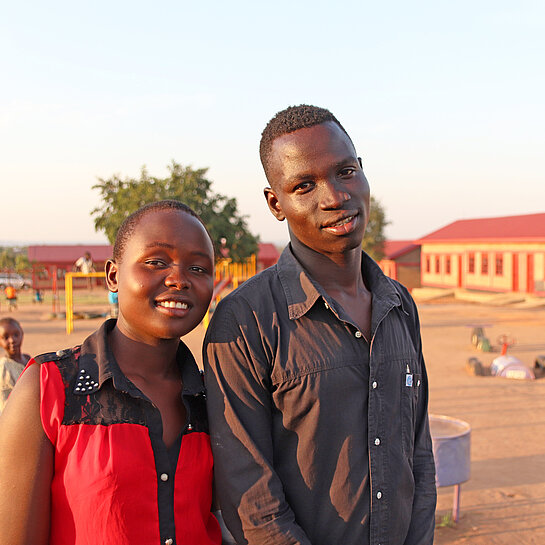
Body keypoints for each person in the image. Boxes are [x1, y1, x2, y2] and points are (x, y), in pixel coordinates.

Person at [204, 105, 437, 545]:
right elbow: (249, 495)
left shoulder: (399, 305)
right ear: (276, 203)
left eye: (345, 172)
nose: (334, 197)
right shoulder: (245, 320)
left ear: (363, 173)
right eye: (304, 185)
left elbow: (418, 454)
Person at [0, 200, 222, 545]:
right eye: (156, 262)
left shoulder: (217, 396)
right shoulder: (47, 389)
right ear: (113, 275)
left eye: (198, 269)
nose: (179, 279)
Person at [0, 318, 31, 413]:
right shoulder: (4, 367)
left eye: (16, 335)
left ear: (22, 334)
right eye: (6, 337)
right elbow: (5, 402)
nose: (12, 340)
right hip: (19, 416)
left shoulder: (27, 359)